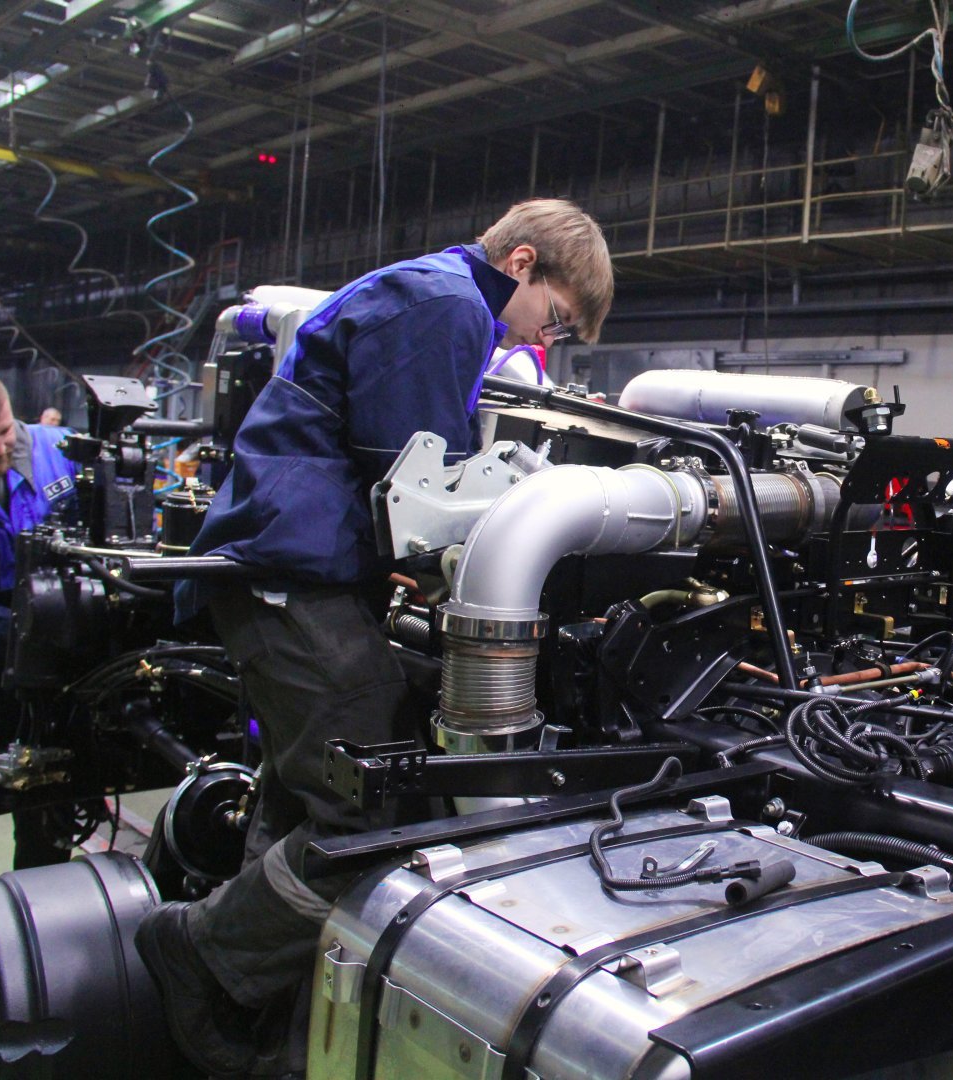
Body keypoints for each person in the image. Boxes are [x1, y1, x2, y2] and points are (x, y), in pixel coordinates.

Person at [140, 198, 615, 1077]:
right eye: (554, 319)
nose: (546, 344)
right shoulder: (450, 305)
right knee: (376, 810)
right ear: (521, 263)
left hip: (287, 575)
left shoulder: (438, 295)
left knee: (301, 794)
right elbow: (412, 468)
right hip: (294, 576)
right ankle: (199, 954)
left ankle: (259, 1010)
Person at [0, 368, 79, 874]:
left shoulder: (56, 449)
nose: (0, 448)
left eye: (4, 430)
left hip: (51, 672)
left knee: (50, 806)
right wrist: (14, 630)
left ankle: (38, 922)